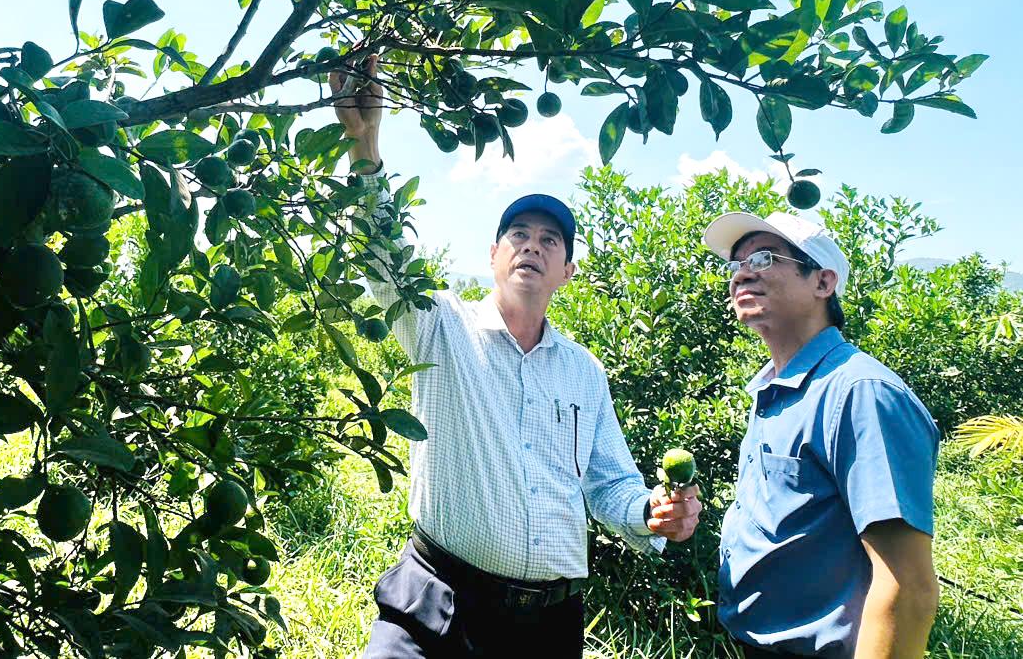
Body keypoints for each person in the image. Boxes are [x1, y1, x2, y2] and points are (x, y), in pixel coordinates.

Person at [332, 58, 701, 659]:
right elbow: (385, 260)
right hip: (436, 601)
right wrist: (364, 146)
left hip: (547, 629)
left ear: (568, 270)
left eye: (549, 239)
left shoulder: (583, 371)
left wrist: (651, 512)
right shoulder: (441, 326)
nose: (532, 243)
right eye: (518, 234)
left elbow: (611, 486)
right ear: (494, 256)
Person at [703, 210, 940, 658]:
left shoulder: (861, 394)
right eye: (735, 266)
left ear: (823, 282)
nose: (740, 277)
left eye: (763, 259)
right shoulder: (774, 388)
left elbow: (909, 588)